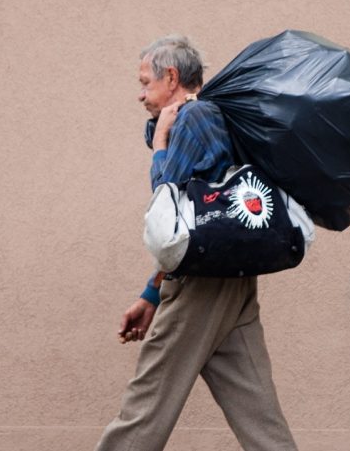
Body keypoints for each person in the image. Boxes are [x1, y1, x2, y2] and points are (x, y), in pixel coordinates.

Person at [95, 35, 298, 451]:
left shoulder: (194, 118)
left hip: (201, 287)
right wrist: (151, 293)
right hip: (232, 283)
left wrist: (160, 147)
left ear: (171, 77)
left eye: (145, 82)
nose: (140, 94)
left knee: (145, 407)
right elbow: (202, 219)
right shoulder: (211, 116)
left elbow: (170, 211)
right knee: (259, 416)